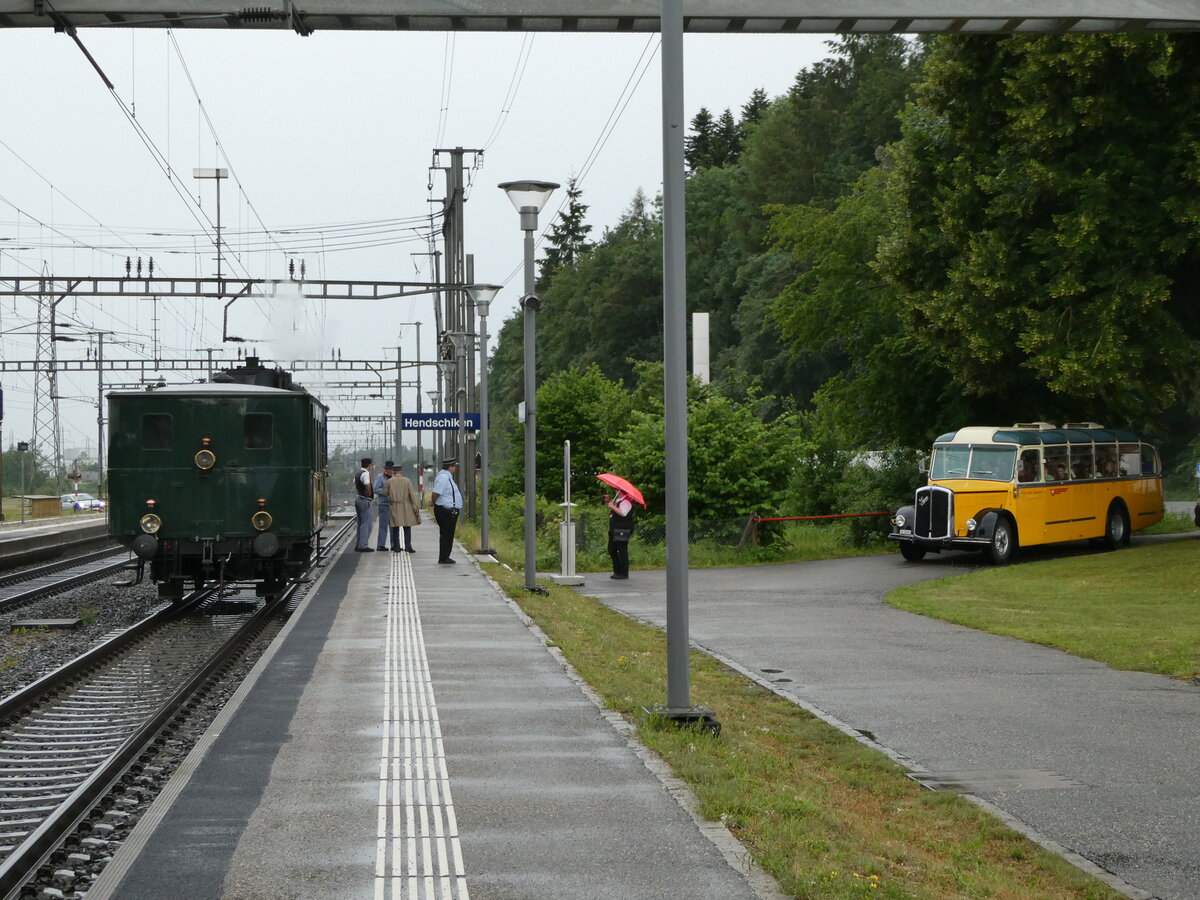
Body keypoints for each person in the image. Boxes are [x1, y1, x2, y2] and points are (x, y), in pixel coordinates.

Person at [430, 458, 463, 564]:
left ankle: (445, 556)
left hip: (447, 509)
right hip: (446, 510)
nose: (455, 468)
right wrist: (433, 502)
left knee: (447, 534)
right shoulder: (444, 478)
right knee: (447, 534)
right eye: (454, 466)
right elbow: (436, 492)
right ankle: (444, 557)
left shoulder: (446, 477)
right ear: (450, 467)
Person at [385, 463, 422, 552]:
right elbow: (411, 494)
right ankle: (408, 547)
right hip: (406, 505)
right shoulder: (407, 480)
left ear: (394, 472)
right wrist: (415, 506)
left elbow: (385, 493)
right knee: (407, 526)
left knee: (395, 527)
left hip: (394, 505)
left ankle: (396, 547)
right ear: (401, 471)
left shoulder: (389, 481)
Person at [605, 487, 635, 579]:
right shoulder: (618, 500)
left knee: (622, 550)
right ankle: (617, 571)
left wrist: (613, 506)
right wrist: (610, 504)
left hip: (623, 529)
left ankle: (623, 573)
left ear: (620, 491)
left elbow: (623, 513)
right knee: (612, 549)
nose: (615, 491)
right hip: (615, 528)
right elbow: (616, 511)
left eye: (616, 490)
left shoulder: (626, 501)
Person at [354, 457, 375, 552]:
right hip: (364, 499)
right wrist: (367, 494)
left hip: (358, 498)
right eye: (371, 465)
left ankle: (358, 544)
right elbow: (367, 485)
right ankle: (363, 545)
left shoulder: (358, 473)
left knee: (360, 524)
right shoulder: (365, 473)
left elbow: (355, 483)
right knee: (366, 524)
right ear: (369, 465)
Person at [373, 461, 394, 550]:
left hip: (393, 504)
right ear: (385, 469)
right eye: (388, 469)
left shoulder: (394, 478)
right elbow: (375, 489)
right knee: (383, 525)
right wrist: (384, 492)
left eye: (391, 469)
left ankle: (394, 545)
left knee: (393, 525)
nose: (390, 471)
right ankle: (381, 545)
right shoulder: (380, 477)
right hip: (383, 504)